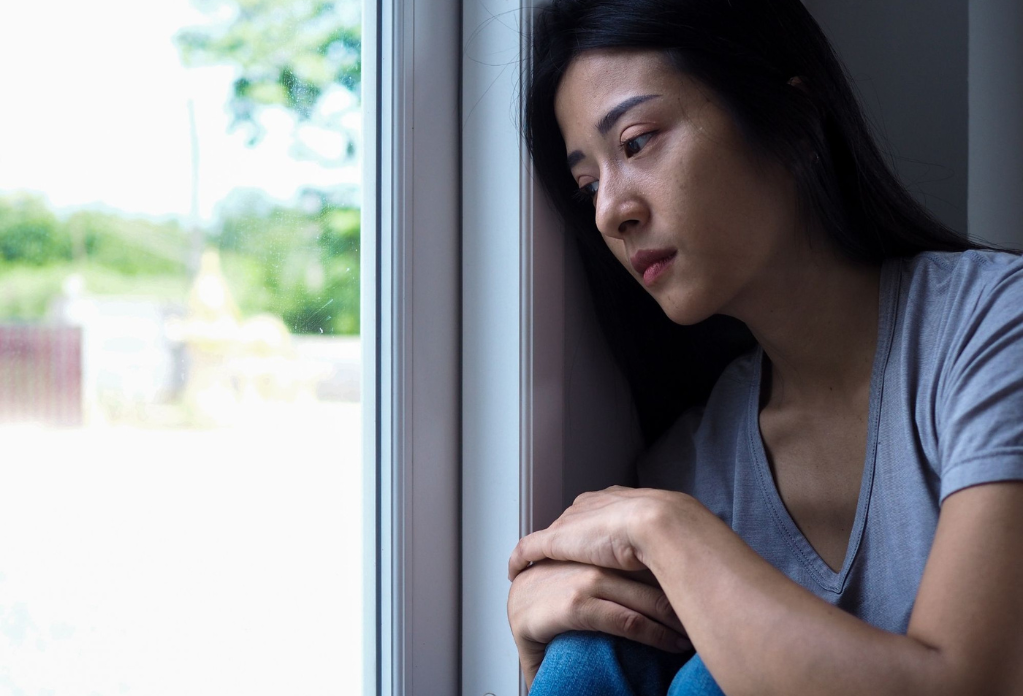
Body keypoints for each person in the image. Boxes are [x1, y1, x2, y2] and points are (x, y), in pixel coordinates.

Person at [506, 0, 1023, 694]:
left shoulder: (992, 325)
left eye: (635, 142)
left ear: (791, 123)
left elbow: (972, 684)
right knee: (593, 654)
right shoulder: (690, 462)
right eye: (587, 185)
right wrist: (534, 657)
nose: (610, 211)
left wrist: (667, 530)